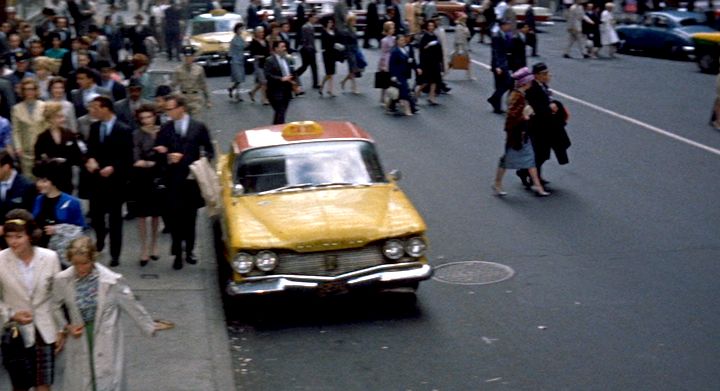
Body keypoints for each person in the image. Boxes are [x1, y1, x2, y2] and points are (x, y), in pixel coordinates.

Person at [52, 236, 170, 391]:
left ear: (93, 259)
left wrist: (149, 326)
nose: (80, 268)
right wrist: (66, 327)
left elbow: (131, 305)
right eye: (76, 264)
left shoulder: (112, 281)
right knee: (81, 381)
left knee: (106, 381)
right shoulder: (62, 279)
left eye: (85, 263)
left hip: (105, 337)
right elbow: (54, 305)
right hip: (80, 336)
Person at [0, 209, 63, 391]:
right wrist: (12, 314)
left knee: (43, 385)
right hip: (15, 334)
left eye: (18, 236)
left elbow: (58, 297)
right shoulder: (1, 260)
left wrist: (61, 329)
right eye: (9, 236)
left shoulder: (50, 258)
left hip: (44, 330)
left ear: (30, 235)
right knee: (19, 385)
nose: (13, 241)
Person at [154, 94, 214, 270]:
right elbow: (157, 152)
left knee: (190, 218)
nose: (168, 113)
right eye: (166, 110)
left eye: (170, 109)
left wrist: (195, 161)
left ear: (181, 108)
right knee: (174, 218)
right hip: (172, 181)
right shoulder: (166, 128)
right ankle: (177, 253)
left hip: (191, 180)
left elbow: (209, 151)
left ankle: (189, 249)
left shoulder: (198, 127)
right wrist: (165, 156)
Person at [84, 96, 134, 266]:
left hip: (115, 182)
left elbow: (127, 157)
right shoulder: (94, 127)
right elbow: (89, 149)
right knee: (96, 216)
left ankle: (115, 254)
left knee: (115, 219)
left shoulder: (123, 129)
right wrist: (90, 160)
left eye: (95, 108)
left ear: (106, 109)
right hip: (96, 180)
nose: (92, 111)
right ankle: (100, 238)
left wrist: (114, 167)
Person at [492, 67, 549, 197]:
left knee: (530, 159)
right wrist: (525, 115)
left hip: (522, 133)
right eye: (529, 81)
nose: (531, 83)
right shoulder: (517, 96)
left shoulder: (521, 95)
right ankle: (497, 182)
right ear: (524, 83)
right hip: (516, 135)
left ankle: (537, 185)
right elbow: (512, 116)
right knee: (507, 160)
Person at [32, 159, 86, 267]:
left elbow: (80, 230)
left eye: (44, 181)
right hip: (41, 253)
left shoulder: (72, 202)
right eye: (38, 180)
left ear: (54, 181)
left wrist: (59, 229)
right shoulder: (38, 200)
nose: (39, 184)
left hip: (64, 257)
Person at [132, 105, 163, 266]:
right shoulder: (137, 134)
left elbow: (165, 155)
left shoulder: (162, 132)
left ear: (154, 116)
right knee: (142, 215)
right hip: (142, 178)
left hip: (158, 177)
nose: (146, 121)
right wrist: (151, 162)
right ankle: (144, 248)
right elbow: (136, 159)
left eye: (148, 117)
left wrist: (152, 161)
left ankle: (154, 245)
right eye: (143, 118)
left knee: (156, 214)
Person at [33, 102, 84, 194]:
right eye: (59, 116)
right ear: (50, 118)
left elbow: (78, 156)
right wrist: (51, 161)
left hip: (67, 178)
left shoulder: (69, 134)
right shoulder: (42, 137)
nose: (63, 119)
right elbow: (37, 161)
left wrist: (67, 160)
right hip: (49, 181)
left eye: (63, 116)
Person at [11, 78, 47, 176]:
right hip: (25, 151)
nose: (29, 92)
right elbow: (15, 130)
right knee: (28, 180)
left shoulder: (44, 106)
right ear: (23, 91)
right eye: (26, 89)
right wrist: (18, 147)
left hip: (42, 150)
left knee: (43, 178)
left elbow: (47, 127)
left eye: (32, 89)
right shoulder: (16, 108)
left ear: (36, 90)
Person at [0, 151, 37, 233]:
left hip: (18, 233)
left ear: (6, 167)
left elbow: (29, 216)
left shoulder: (26, 186)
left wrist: (5, 228)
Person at [172, 46, 210, 120]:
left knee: (196, 121)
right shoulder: (178, 70)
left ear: (193, 57)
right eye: (186, 57)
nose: (188, 59)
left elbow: (203, 85)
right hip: (183, 98)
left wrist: (208, 100)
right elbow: (173, 85)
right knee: (184, 123)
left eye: (190, 57)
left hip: (195, 98)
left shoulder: (199, 69)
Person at [265, 40, 296, 125]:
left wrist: (296, 84)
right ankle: (279, 130)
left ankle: (275, 129)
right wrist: (281, 79)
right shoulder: (270, 60)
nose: (284, 49)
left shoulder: (288, 59)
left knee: (281, 113)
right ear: (276, 49)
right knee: (280, 111)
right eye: (282, 47)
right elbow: (268, 75)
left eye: (285, 47)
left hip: (287, 90)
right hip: (275, 91)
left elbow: (292, 72)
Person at [389, 33, 420, 116]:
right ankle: (408, 110)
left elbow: (409, 60)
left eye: (403, 40)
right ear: (397, 41)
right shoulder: (395, 51)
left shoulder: (404, 50)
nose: (403, 41)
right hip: (398, 75)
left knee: (402, 91)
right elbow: (392, 64)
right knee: (405, 91)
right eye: (401, 40)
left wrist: (414, 66)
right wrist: (393, 76)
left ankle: (391, 106)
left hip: (404, 74)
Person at [487, 19, 513, 114]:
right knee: (508, 83)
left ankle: (496, 104)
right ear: (503, 25)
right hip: (500, 65)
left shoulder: (502, 34)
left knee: (501, 84)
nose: (509, 27)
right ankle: (495, 100)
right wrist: (498, 66)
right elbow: (496, 52)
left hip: (502, 63)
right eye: (508, 25)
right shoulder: (497, 36)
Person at [339, 13, 362, 94]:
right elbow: (345, 43)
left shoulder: (353, 29)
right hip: (349, 52)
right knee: (353, 70)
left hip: (354, 50)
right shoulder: (346, 31)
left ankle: (344, 82)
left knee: (353, 70)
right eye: (353, 20)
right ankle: (354, 88)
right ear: (350, 21)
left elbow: (356, 41)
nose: (355, 22)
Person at [295, 15, 320, 90]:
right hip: (308, 50)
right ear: (310, 18)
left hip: (308, 49)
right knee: (308, 66)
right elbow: (306, 40)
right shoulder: (307, 27)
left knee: (308, 66)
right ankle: (294, 75)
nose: (316, 19)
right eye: (315, 17)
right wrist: (311, 49)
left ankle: (315, 83)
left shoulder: (308, 26)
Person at [247, 26, 270, 104]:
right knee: (264, 82)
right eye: (260, 32)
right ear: (256, 33)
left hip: (266, 63)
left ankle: (252, 92)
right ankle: (264, 99)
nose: (262, 34)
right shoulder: (253, 42)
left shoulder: (265, 41)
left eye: (262, 32)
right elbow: (252, 54)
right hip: (258, 63)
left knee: (262, 82)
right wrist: (260, 56)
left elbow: (268, 51)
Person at [449, 14, 474, 80]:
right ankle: (444, 73)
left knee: (468, 61)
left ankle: (470, 76)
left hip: (464, 46)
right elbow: (459, 38)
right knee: (453, 62)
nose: (465, 20)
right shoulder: (459, 27)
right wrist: (460, 49)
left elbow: (468, 35)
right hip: (460, 47)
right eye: (464, 19)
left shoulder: (463, 26)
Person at [319, 18, 339, 97]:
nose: (331, 23)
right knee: (329, 73)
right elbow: (323, 45)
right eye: (329, 22)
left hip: (333, 53)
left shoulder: (333, 31)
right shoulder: (323, 32)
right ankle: (322, 86)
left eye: (331, 22)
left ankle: (330, 90)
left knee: (331, 73)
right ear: (326, 23)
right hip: (327, 54)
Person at [377, 21, 396, 104]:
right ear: (387, 30)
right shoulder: (384, 40)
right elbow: (383, 53)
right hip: (387, 60)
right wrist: (382, 65)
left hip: (393, 59)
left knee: (391, 79)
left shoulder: (394, 39)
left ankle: (389, 97)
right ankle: (383, 97)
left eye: (393, 28)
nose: (393, 30)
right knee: (385, 80)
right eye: (391, 28)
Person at [228, 22, 246, 101]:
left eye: (242, 29)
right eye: (240, 29)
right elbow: (231, 51)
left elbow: (244, 46)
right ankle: (237, 95)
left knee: (240, 79)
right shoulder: (234, 39)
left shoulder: (241, 38)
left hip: (240, 59)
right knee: (238, 78)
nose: (241, 30)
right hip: (235, 60)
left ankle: (232, 89)